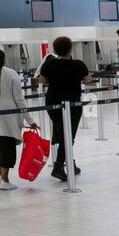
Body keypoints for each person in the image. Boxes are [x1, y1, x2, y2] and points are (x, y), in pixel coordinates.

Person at [0, 49, 37, 191]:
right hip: (7, 118)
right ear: (3, 59)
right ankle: (5, 180)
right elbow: (19, 99)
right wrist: (30, 120)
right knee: (8, 149)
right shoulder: (11, 74)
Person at [35, 35, 93, 182]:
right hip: (73, 104)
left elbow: (42, 80)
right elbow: (88, 79)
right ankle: (59, 167)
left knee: (63, 134)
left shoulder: (50, 64)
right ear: (70, 48)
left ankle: (70, 164)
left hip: (53, 102)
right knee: (68, 135)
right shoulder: (78, 64)